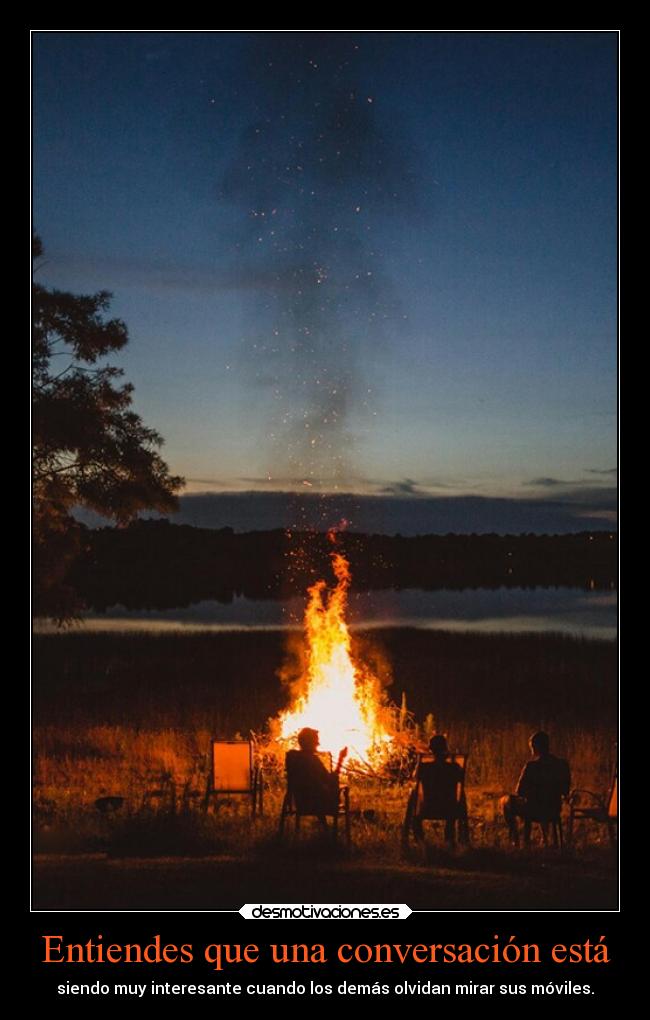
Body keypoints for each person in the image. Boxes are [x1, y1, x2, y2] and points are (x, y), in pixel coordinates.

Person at [501, 731, 571, 847]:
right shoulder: (562, 765)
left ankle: (515, 839)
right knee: (539, 801)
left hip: (533, 810)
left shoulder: (531, 766)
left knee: (505, 801)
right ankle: (545, 838)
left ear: (537, 747)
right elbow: (565, 790)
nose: (531, 749)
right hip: (553, 809)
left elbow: (519, 791)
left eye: (532, 747)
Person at [284, 728, 347, 827]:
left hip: (301, 803)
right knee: (337, 788)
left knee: (318, 790)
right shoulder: (313, 761)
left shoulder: (293, 758)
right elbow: (331, 780)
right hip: (320, 803)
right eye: (316, 740)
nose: (318, 743)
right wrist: (341, 759)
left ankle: (324, 828)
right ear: (310, 742)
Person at [412, 734, 468, 845]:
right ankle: (450, 839)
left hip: (428, 808)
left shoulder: (424, 767)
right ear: (445, 749)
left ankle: (420, 841)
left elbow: (415, 777)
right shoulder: (454, 767)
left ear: (431, 749)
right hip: (449, 808)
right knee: (459, 798)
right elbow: (461, 780)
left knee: (413, 798)